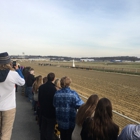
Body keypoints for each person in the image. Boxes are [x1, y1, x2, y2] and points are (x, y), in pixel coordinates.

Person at [0, 52, 25, 140]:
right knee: (6, 133)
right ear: (9, 62)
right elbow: (22, 82)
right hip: (9, 107)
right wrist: (17, 70)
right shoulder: (13, 74)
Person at [39, 73, 56, 140]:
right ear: (53, 79)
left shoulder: (41, 87)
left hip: (43, 111)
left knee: (43, 128)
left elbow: (40, 99)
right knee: (50, 130)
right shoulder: (54, 89)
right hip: (51, 113)